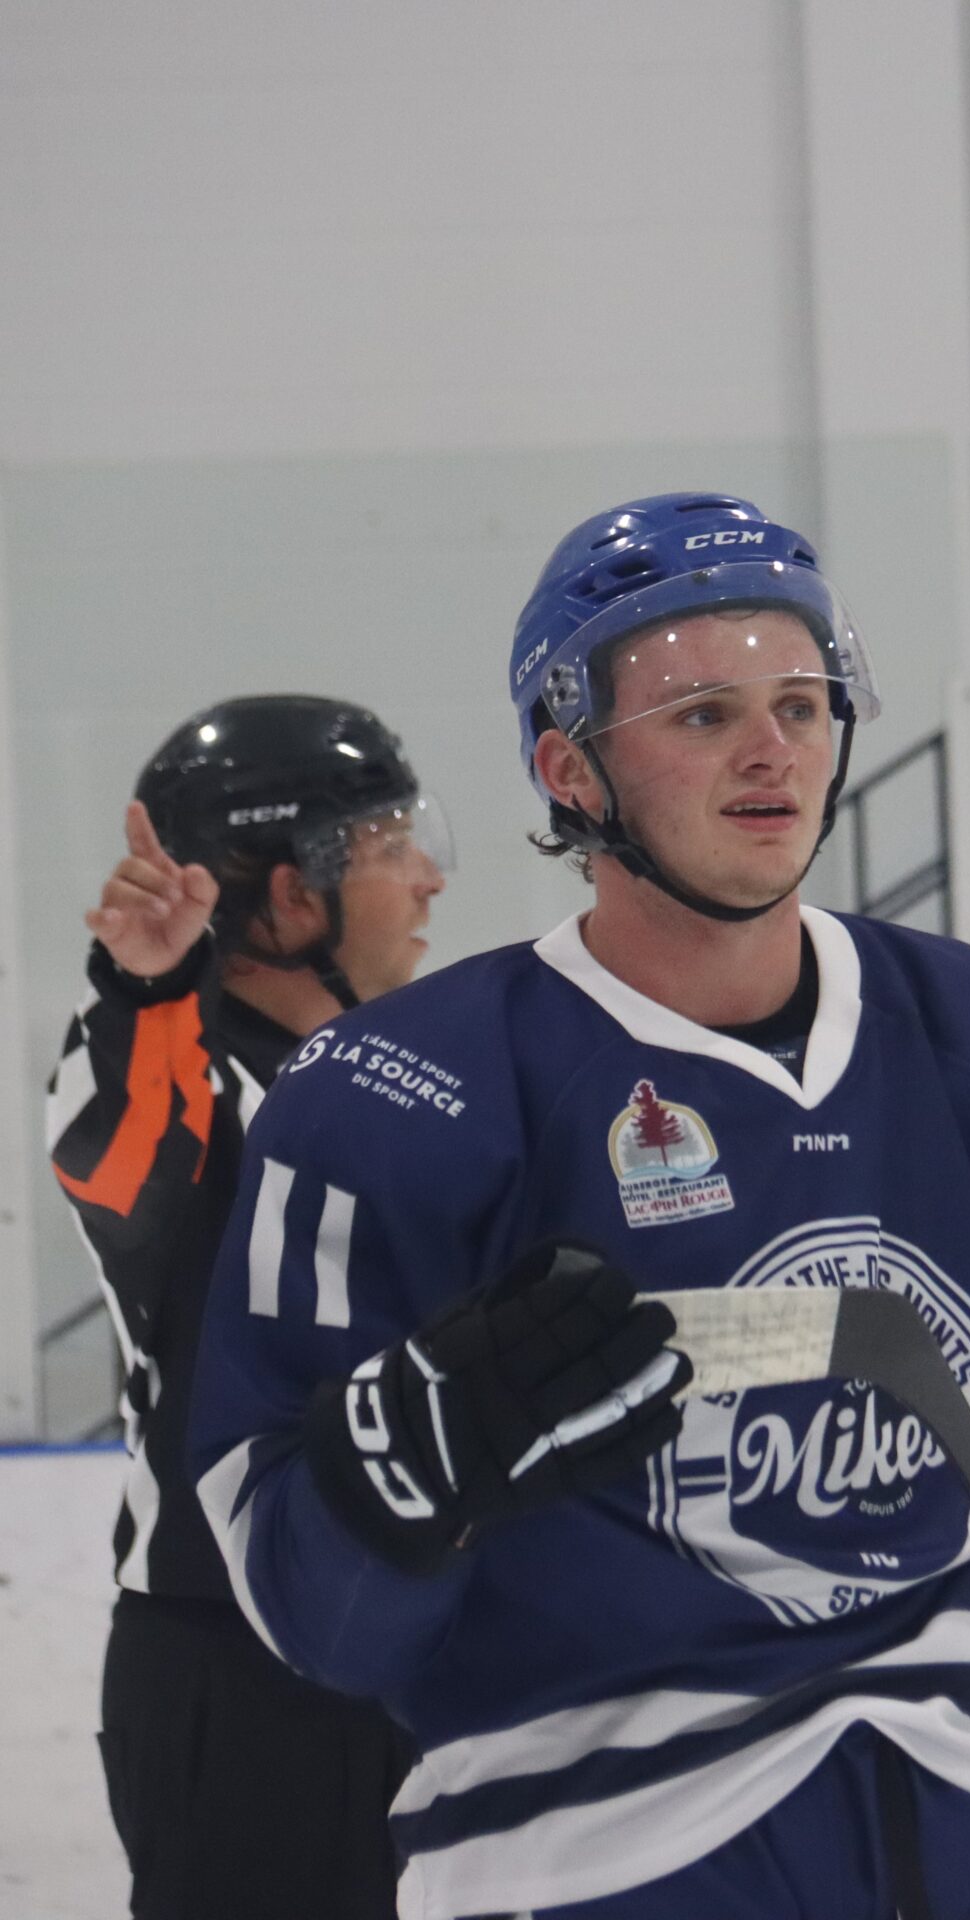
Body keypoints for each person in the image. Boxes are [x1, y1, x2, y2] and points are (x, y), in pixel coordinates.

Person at [187, 496, 970, 1919]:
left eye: (803, 703)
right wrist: (401, 1483)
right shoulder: (400, 1098)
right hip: (592, 1847)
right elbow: (311, 1613)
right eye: (702, 715)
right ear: (571, 769)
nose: (774, 751)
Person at [49, 695, 452, 1920]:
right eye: (390, 847)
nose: (430, 878)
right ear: (288, 896)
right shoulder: (176, 1065)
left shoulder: (412, 1072)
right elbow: (122, 1150)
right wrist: (143, 985)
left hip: (425, 1645)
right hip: (240, 1671)